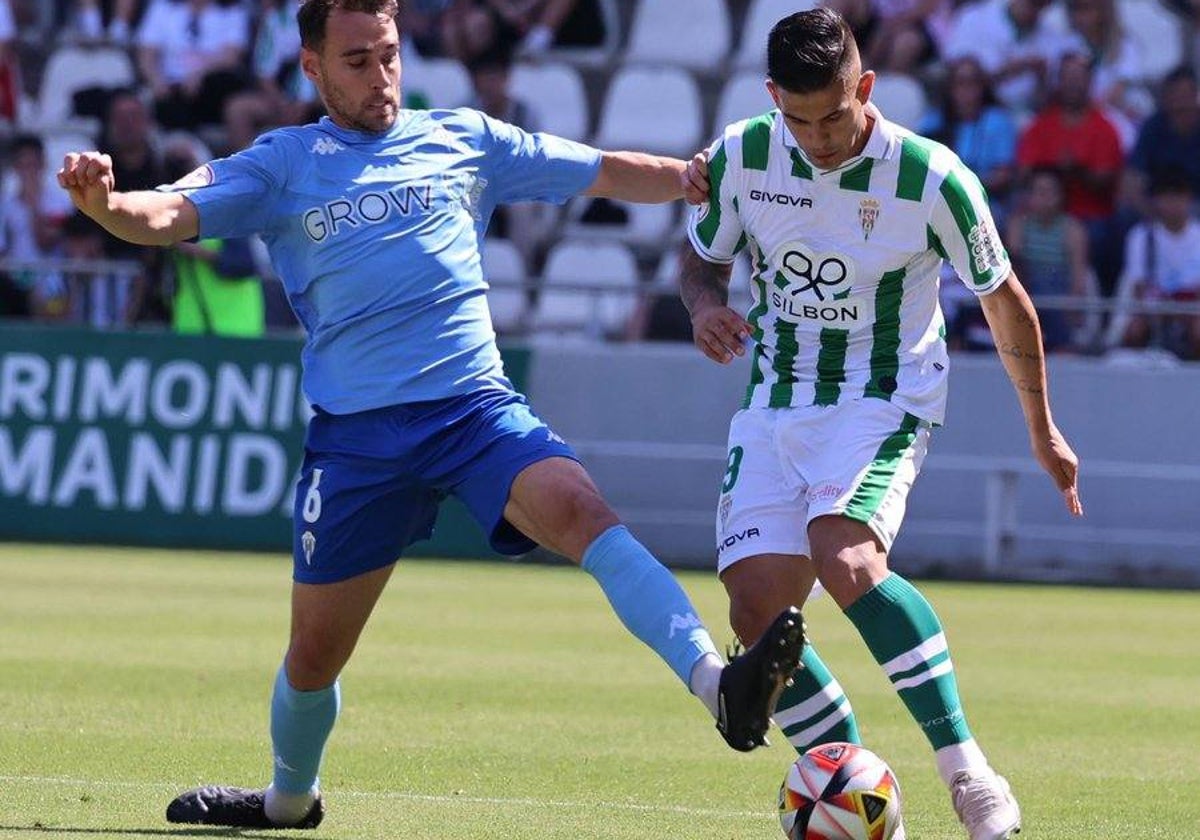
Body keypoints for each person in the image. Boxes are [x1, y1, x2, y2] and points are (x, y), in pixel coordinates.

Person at [56, 0, 806, 829]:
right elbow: (165, 214)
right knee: (312, 659)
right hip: (359, 442)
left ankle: (720, 687)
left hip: (474, 411)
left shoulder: (463, 139)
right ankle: (287, 799)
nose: (381, 78)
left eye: (388, 55)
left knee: (586, 512)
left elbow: (599, 168)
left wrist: (693, 177)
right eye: (356, 61)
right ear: (311, 68)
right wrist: (106, 206)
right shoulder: (281, 163)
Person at [678, 9, 1082, 840]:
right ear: (772, 101)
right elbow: (701, 256)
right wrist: (705, 307)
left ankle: (968, 772)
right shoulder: (744, 156)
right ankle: (857, 802)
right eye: (799, 120)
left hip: (884, 395)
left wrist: (1042, 430)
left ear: (865, 88)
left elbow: (1007, 304)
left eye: (833, 116)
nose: (818, 139)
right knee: (757, 616)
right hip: (774, 401)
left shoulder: (932, 177)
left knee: (845, 555)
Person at [1005, 167, 1091, 353]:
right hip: (1027, 288)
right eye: (1038, 192)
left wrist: (1073, 308)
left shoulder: (1073, 230)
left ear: (1061, 196)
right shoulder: (1018, 225)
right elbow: (1013, 270)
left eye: (1049, 192)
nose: (1044, 198)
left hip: (1059, 293)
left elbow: (1078, 276)